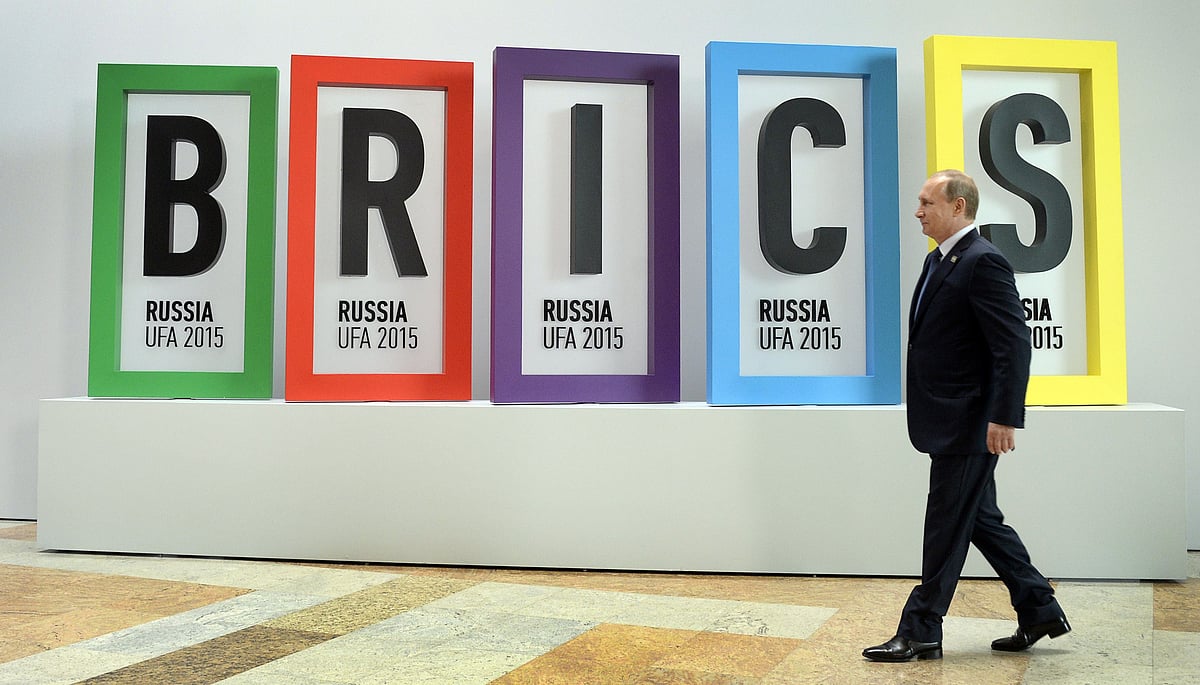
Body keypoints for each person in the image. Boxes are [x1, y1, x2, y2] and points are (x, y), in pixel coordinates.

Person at [862, 169, 1070, 662]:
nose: (918, 211)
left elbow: (1013, 344)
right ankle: (1039, 608)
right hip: (949, 416)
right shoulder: (943, 260)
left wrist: (1004, 416)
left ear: (958, 207)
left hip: (971, 420)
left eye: (926, 202)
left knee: (945, 523)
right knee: (978, 518)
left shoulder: (983, 261)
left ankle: (921, 629)